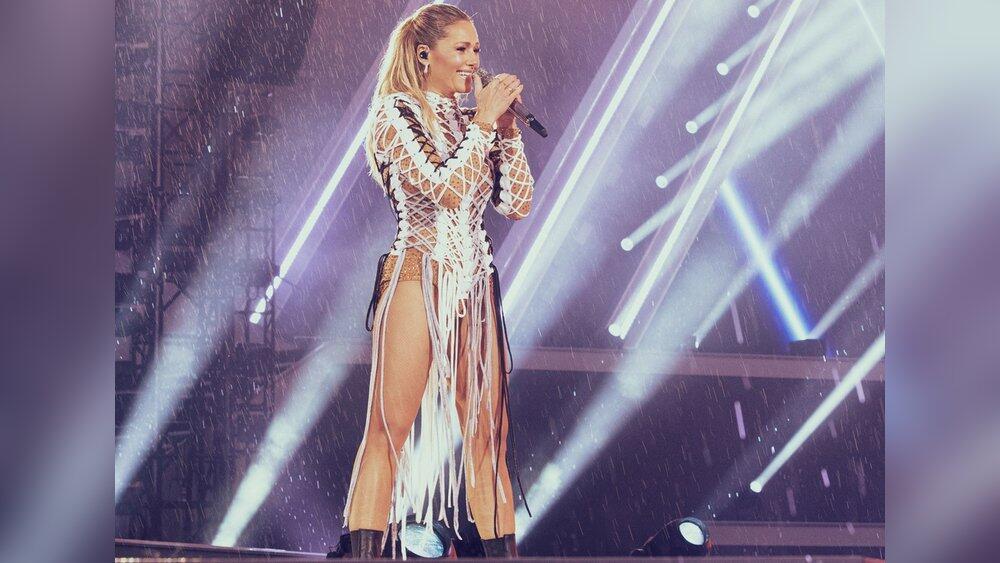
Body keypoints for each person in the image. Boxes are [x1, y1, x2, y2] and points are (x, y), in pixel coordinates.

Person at [341, 3, 535, 559]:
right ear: (425, 54)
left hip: (475, 282)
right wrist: (483, 126)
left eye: (477, 49)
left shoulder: (475, 122)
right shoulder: (395, 113)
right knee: (387, 432)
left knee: (489, 436)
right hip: (417, 271)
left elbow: (517, 204)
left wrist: (507, 132)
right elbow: (444, 189)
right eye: (462, 49)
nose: (474, 60)